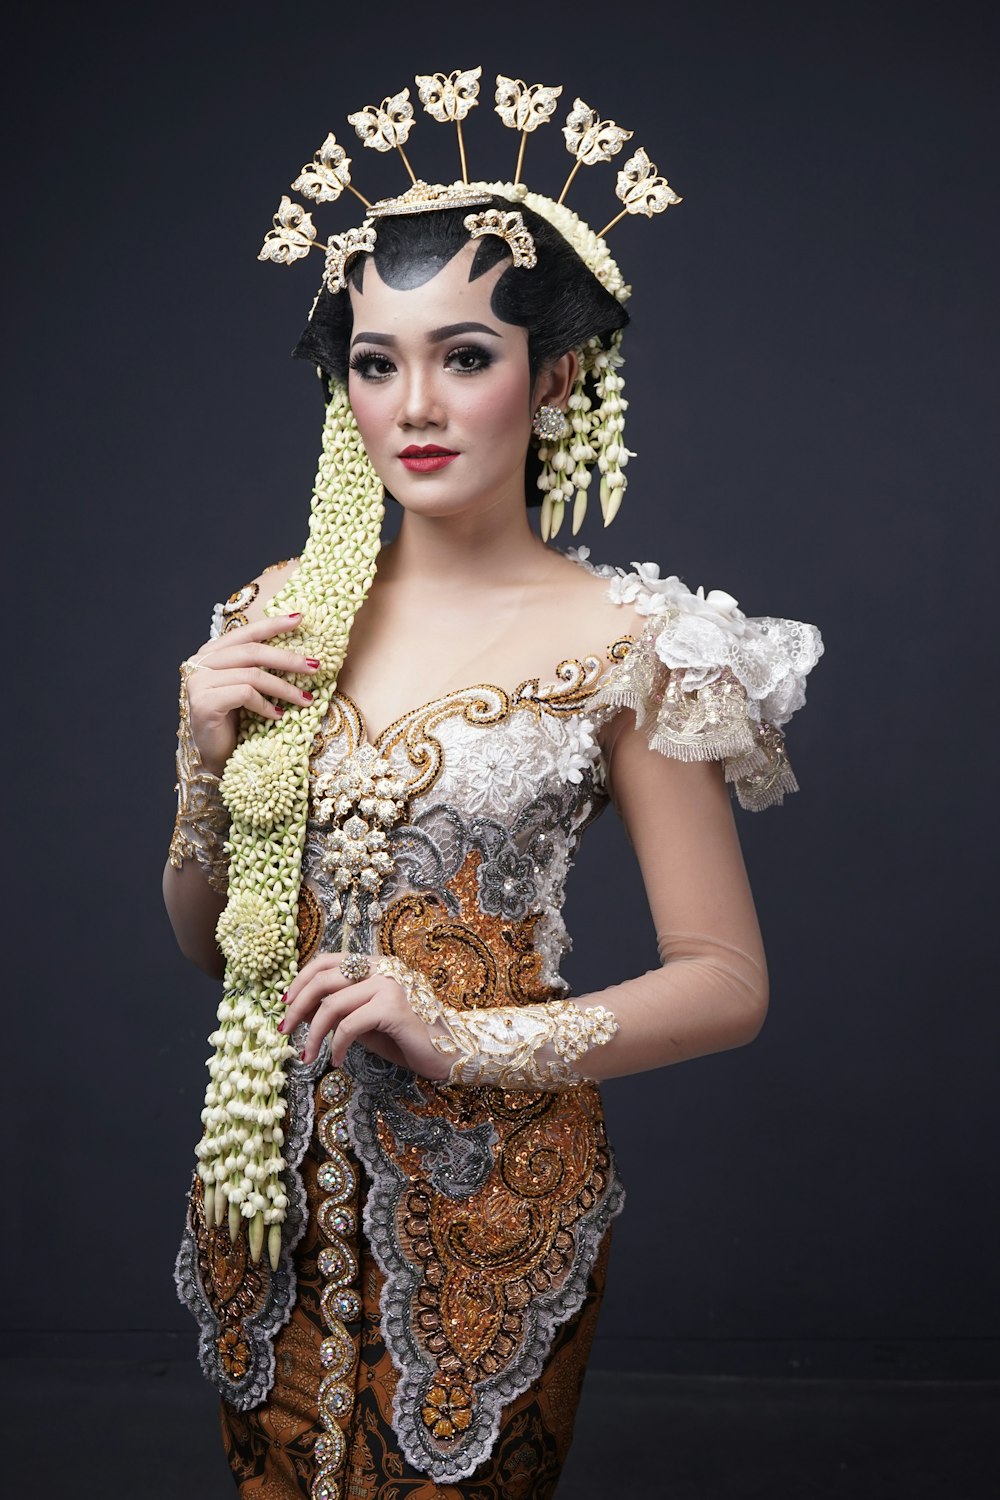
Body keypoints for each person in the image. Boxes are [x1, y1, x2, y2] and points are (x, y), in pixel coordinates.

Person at [164, 71, 822, 1500]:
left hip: (491, 1218)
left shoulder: (640, 646)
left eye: (464, 356)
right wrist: (207, 781)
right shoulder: (279, 614)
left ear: (559, 375)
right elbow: (217, 951)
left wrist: (460, 1038)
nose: (414, 404)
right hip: (259, 1203)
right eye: (375, 361)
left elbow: (726, 980)